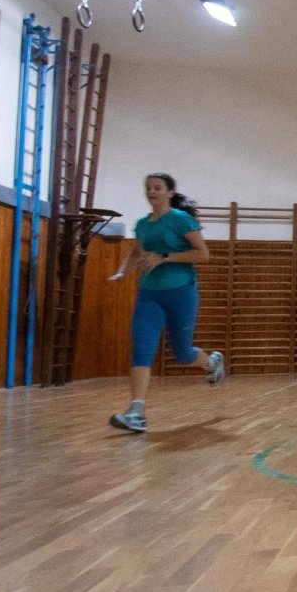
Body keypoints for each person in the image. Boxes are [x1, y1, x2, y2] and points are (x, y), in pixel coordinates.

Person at [108, 173, 224, 432]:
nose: (152, 191)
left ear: (169, 193)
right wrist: (122, 272)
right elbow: (136, 253)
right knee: (142, 348)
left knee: (182, 353)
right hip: (149, 294)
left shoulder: (181, 219)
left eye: (158, 188)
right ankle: (136, 411)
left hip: (181, 292)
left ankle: (212, 363)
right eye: (148, 187)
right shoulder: (143, 224)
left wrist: (166, 257)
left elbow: (203, 254)